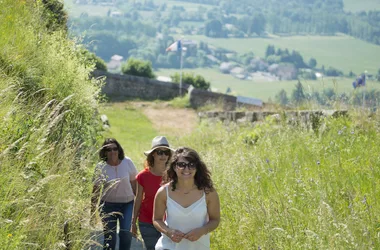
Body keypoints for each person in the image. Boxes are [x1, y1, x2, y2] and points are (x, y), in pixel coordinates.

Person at [153, 147, 220, 250]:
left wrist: (202, 231)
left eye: (191, 165)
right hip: (168, 247)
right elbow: (157, 220)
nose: (187, 169)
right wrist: (169, 232)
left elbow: (215, 220)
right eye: (181, 165)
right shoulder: (163, 192)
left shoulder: (208, 193)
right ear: (174, 167)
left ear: (197, 168)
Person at [91, 138, 138, 250]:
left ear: (119, 150)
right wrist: (92, 211)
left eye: (114, 149)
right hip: (108, 206)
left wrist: (139, 206)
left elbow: (135, 185)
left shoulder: (128, 162)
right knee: (110, 238)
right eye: (108, 149)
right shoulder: (101, 167)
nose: (112, 152)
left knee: (126, 233)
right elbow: (95, 191)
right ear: (104, 152)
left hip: (127, 204)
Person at [131, 136, 173, 250]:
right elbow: (138, 198)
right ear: (153, 154)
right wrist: (133, 222)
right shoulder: (142, 176)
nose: (163, 156)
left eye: (166, 152)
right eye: (160, 152)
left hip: (168, 223)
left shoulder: (174, 175)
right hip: (147, 222)